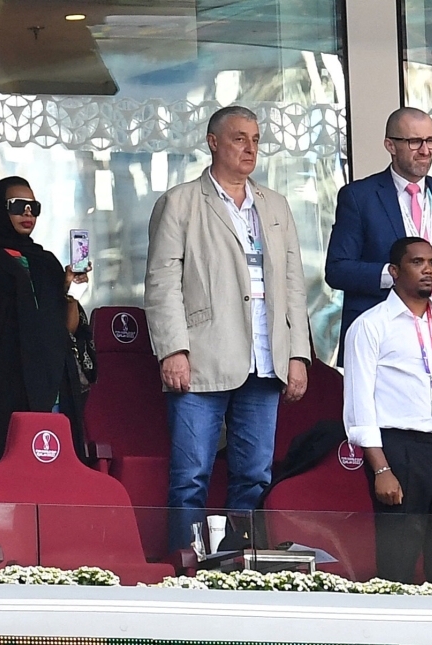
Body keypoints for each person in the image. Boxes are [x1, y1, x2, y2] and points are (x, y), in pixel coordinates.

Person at [144, 106, 311, 547]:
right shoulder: (180, 202)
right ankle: (185, 568)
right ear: (213, 142)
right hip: (202, 355)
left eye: (255, 139)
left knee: (255, 475)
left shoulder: (274, 204)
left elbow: (294, 284)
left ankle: (241, 567)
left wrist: (296, 354)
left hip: (264, 356)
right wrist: (172, 349)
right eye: (239, 138)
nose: (250, 148)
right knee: (190, 476)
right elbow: (162, 283)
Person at [344, 237, 432, 584]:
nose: (429, 270)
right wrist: (381, 469)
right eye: (417, 262)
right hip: (400, 449)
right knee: (398, 561)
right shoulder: (370, 325)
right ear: (394, 271)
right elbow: (359, 405)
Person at [0, 176, 95, 473]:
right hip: (0, 392)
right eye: (18, 206)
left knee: (52, 476)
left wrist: (70, 292)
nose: (27, 213)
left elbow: (69, 331)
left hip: (53, 389)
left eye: (33, 207)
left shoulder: (47, 263)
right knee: (5, 475)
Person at [325, 107, 432, 364]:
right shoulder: (360, 197)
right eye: (415, 141)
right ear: (390, 145)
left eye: (430, 141)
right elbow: (337, 269)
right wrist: (393, 274)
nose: (425, 150)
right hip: (387, 336)